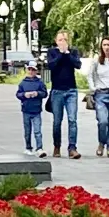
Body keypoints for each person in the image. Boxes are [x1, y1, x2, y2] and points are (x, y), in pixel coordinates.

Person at [46, 30, 82, 159]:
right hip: (57, 91)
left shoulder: (72, 52)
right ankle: (57, 146)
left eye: (65, 39)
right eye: (60, 39)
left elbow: (77, 65)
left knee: (72, 120)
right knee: (57, 121)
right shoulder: (52, 52)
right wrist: (61, 54)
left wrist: (67, 54)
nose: (63, 42)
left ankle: (72, 148)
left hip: (71, 90)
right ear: (56, 41)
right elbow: (51, 66)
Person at [16, 61, 48, 158]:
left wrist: (37, 93)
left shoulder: (39, 83)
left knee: (37, 130)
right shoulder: (23, 83)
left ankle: (39, 148)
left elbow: (45, 93)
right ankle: (28, 147)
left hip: (36, 110)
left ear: (36, 71)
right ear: (27, 70)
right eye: (29, 69)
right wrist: (24, 95)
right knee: (27, 130)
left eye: (33, 70)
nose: (31, 71)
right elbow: (18, 94)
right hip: (26, 110)